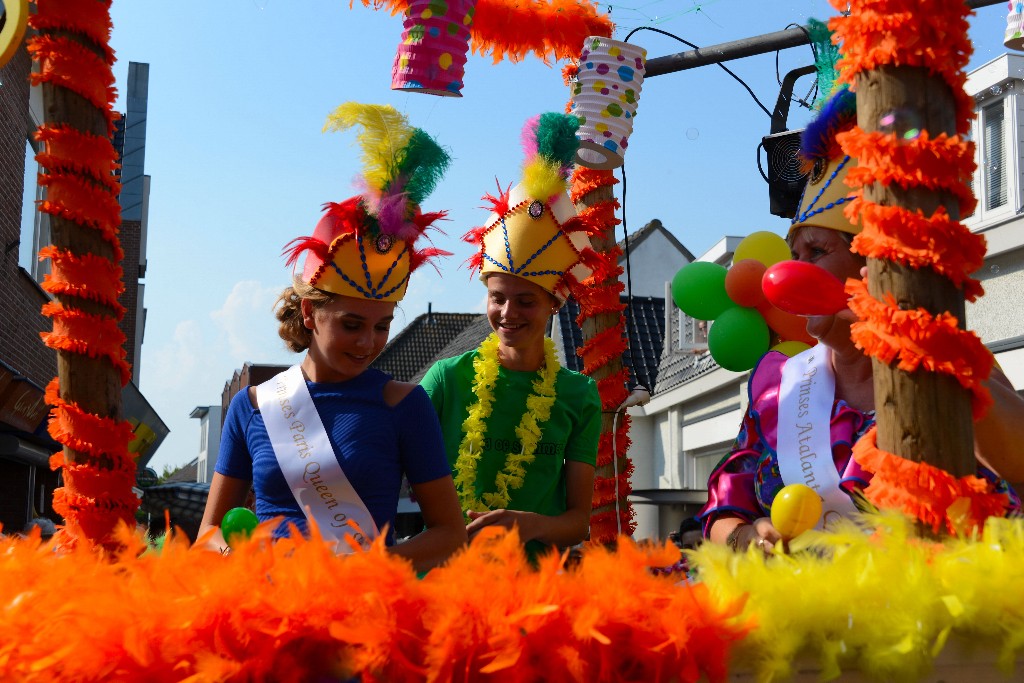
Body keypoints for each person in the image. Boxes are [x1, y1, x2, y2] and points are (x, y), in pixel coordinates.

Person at [701, 88, 1024, 552]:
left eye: (818, 252)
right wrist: (748, 538)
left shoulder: (951, 361)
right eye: (794, 254)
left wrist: (910, 343)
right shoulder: (778, 381)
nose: (791, 273)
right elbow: (723, 507)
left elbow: (1018, 470)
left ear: (875, 264)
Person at [199, 103, 467, 573]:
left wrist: (374, 569)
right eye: (351, 324)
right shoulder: (254, 406)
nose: (368, 341)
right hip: (267, 612)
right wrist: (239, 560)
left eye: (382, 325)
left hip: (362, 611)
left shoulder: (405, 405)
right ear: (309, 312)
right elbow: (207, 536)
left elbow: (449, 534)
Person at [420, 113, 602, 560]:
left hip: (532, 597)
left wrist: (530, 525)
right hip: (443, 587)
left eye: (526, 301)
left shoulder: (579, 395)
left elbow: (578, 522)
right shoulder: (445, 379)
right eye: (498, 297)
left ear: (554, 304)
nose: (507, 313)